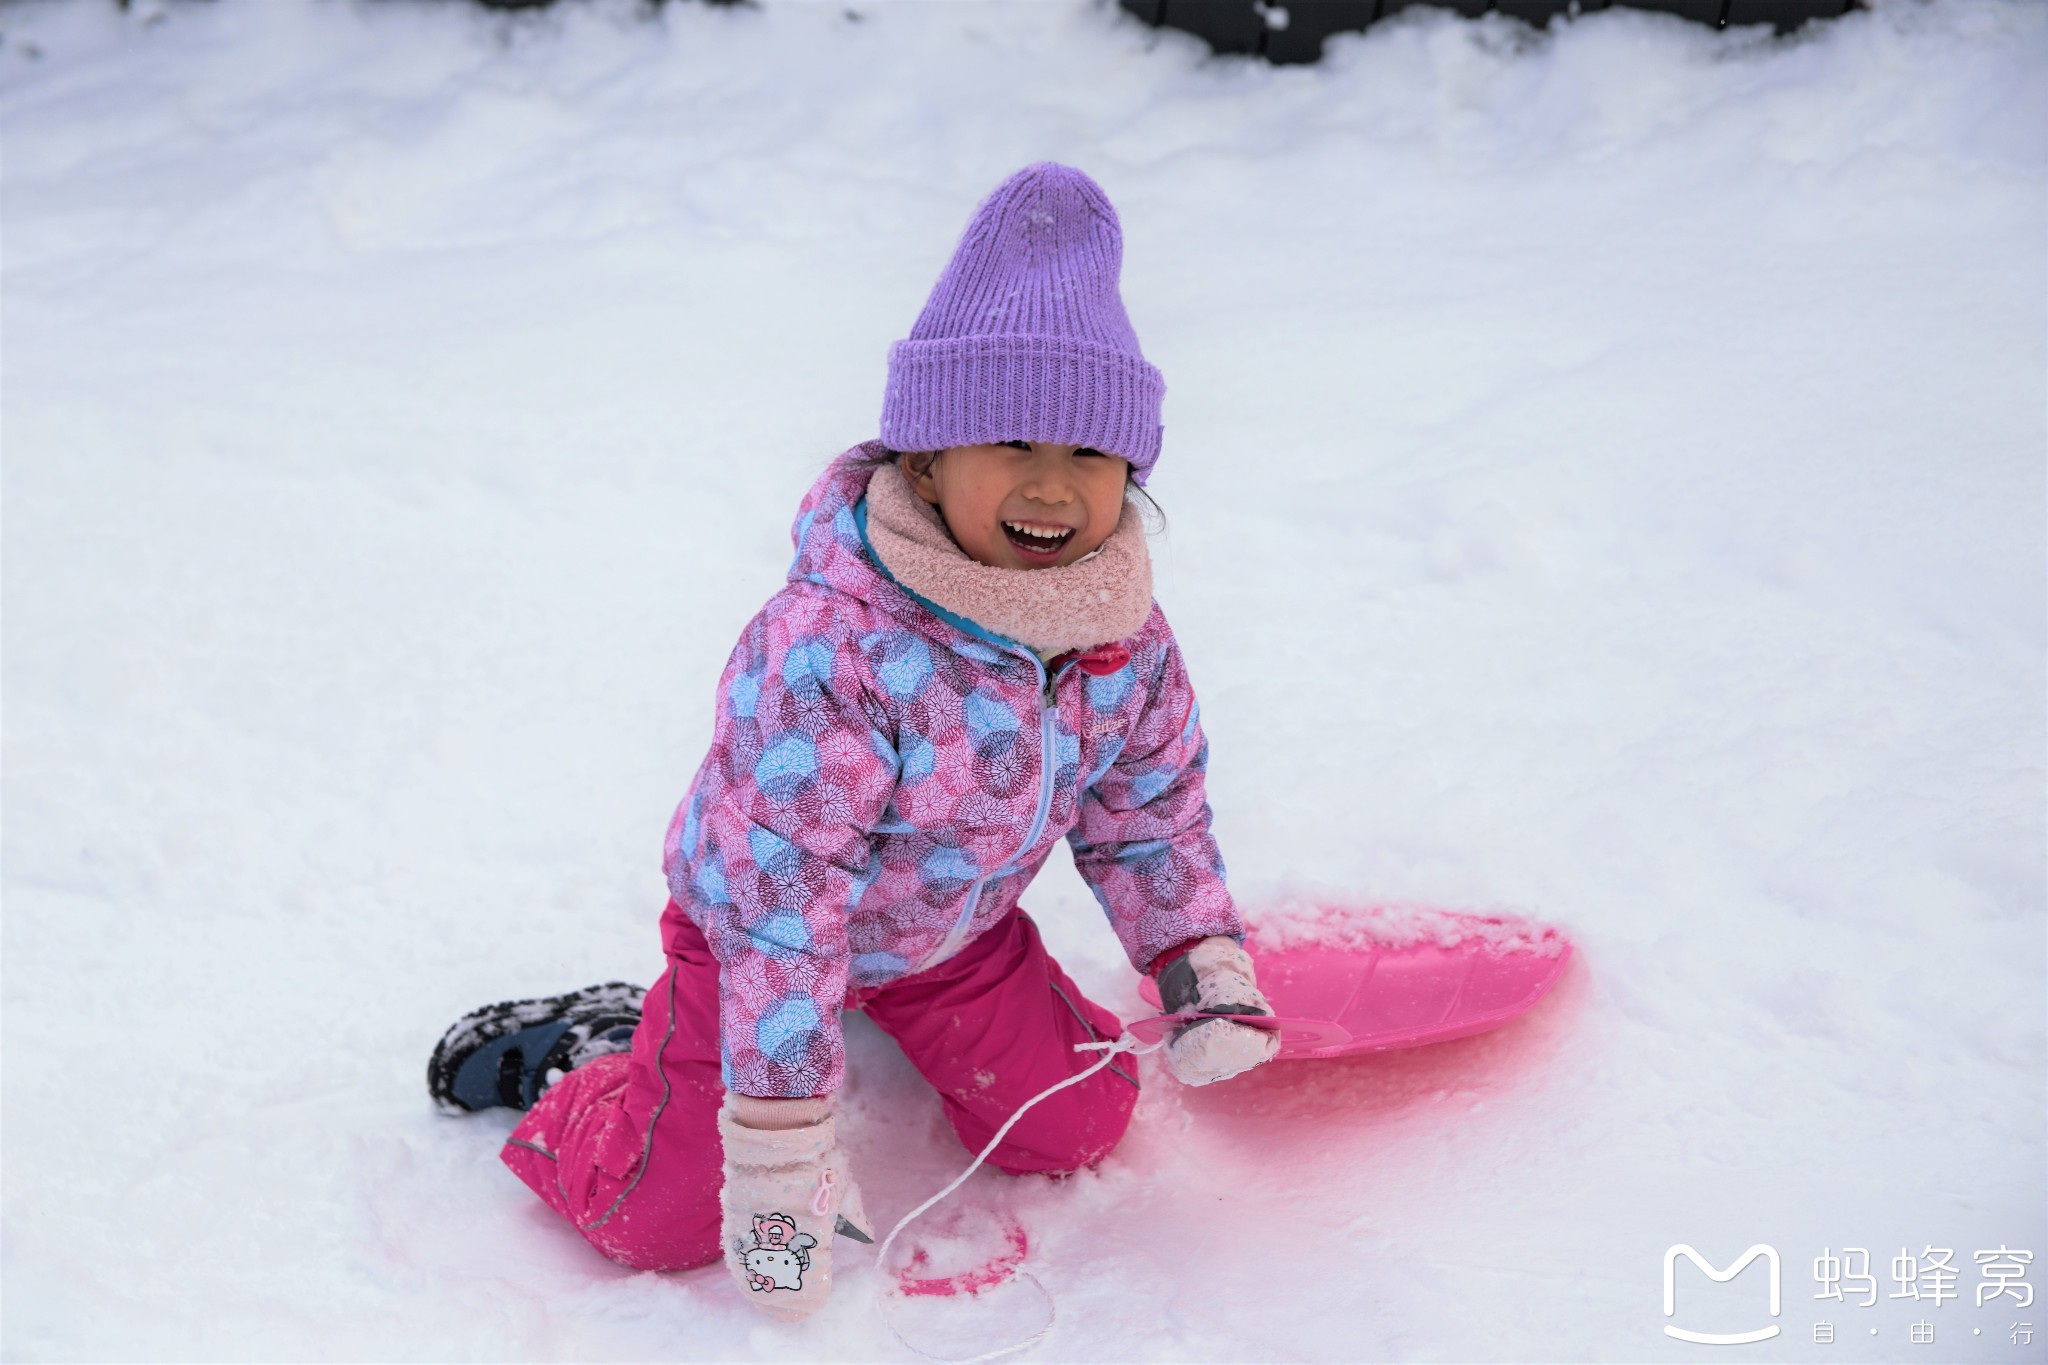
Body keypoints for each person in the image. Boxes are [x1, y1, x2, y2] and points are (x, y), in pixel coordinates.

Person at [426, 161, 1280, 1323]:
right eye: (1010, 442)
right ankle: (596, 1063)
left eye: (1088, 454)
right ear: (925, 457)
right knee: (660, 1222)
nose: (1050, 486)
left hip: (949, 939)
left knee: (1077, 1124)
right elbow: (779, 904)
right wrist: (777, 1152)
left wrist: (1194, 961)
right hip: (754, 946)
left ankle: (875, 1022)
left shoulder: (1110, 632)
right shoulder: (833, 649)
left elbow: (1149, 807)